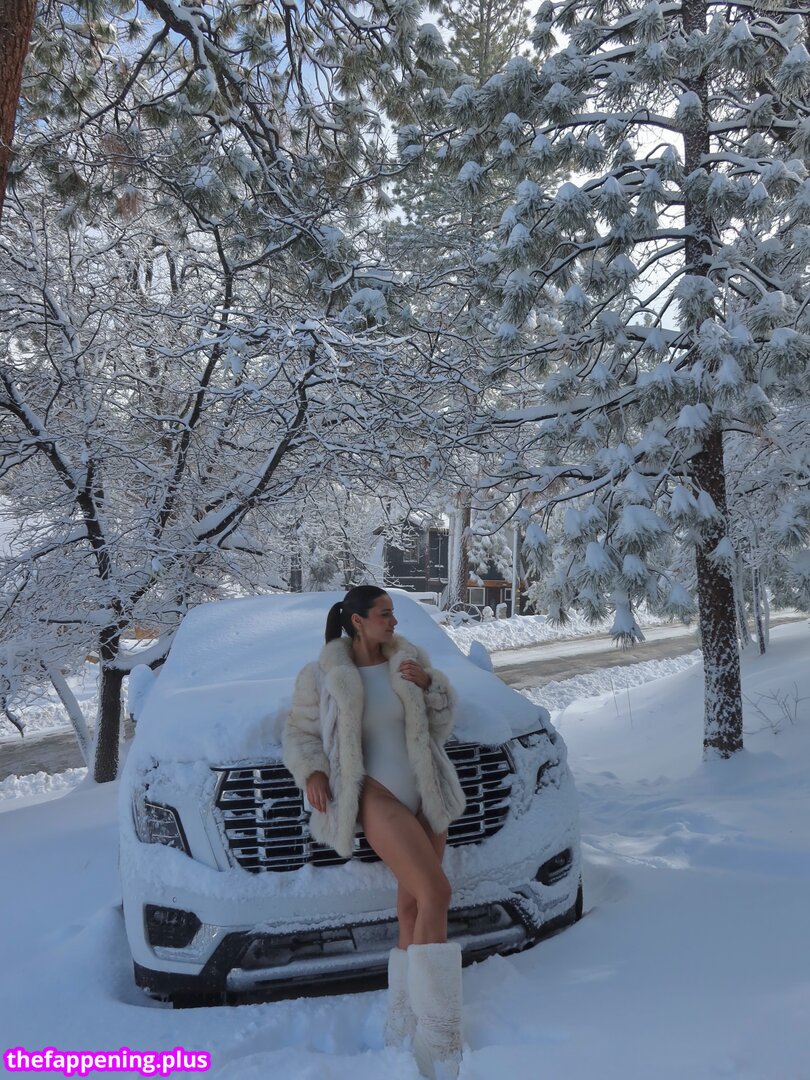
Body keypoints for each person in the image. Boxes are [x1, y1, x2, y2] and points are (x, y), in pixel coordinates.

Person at [282, 585, 467, 1079]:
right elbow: (300, 732)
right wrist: (313, 771)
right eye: (385, 614)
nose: (394, 622)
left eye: (394, 613)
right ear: (358, 621)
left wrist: (430, 685)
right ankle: (440, 1035)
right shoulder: (322, 675)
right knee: (437, 892)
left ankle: (402, 1022)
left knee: (412, 906)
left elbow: (442, 724)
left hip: (427, 791)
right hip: (376, 795)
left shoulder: (409, 661)